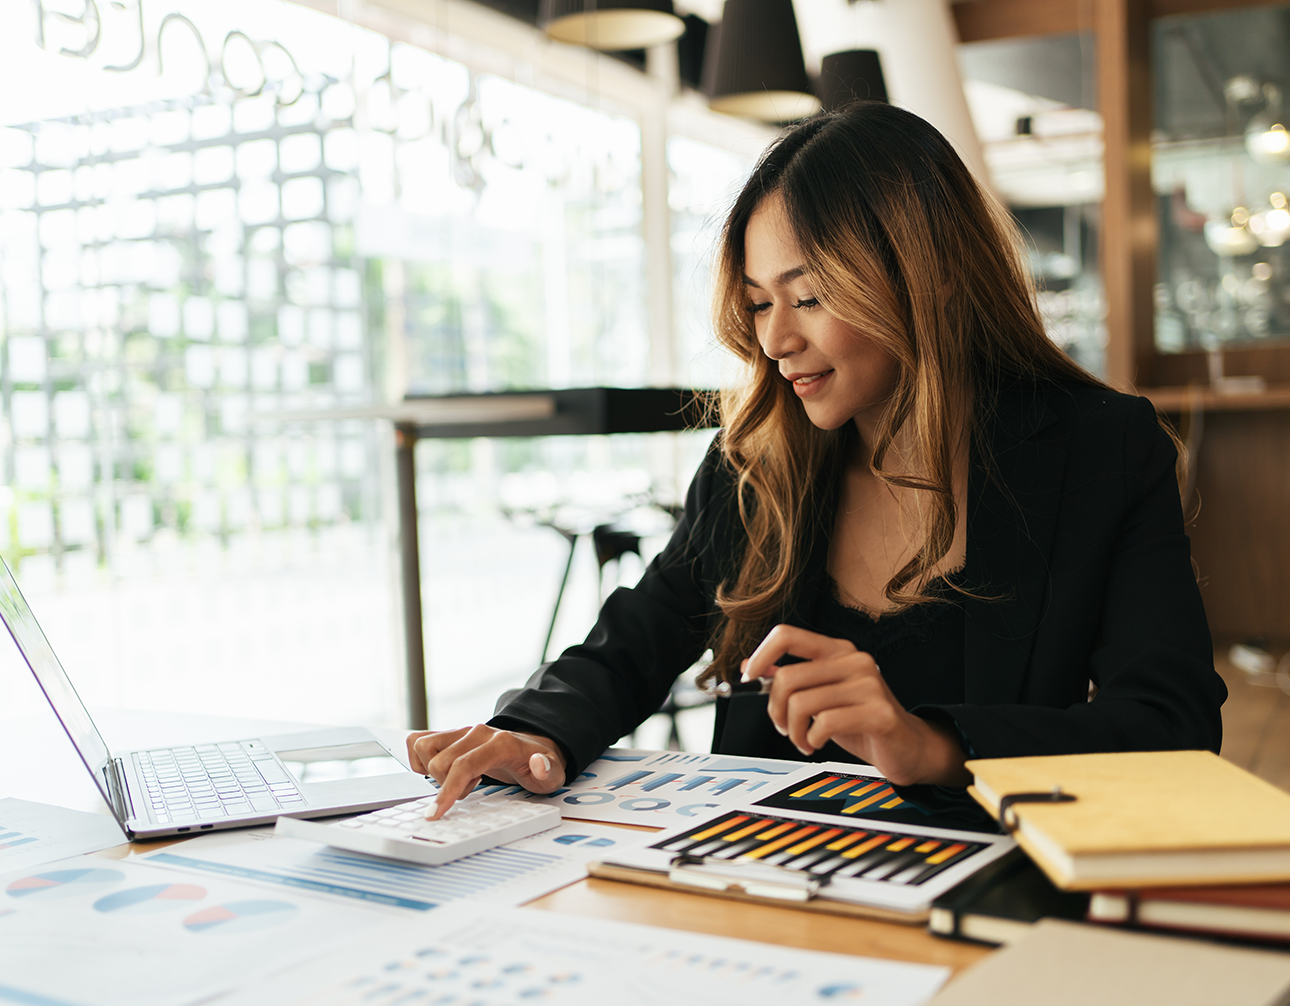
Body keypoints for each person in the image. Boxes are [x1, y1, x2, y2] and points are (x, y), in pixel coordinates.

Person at [407, 102, 1227, 824]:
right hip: (750, 886)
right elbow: (637, 640)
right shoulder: (758, 459)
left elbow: (1170, 725)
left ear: (922, 278)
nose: (774, 340)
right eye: (760, 302)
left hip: (984, 891)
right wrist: (535, 732)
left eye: (808, 297)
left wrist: (926, 744)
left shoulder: (1100, 449)